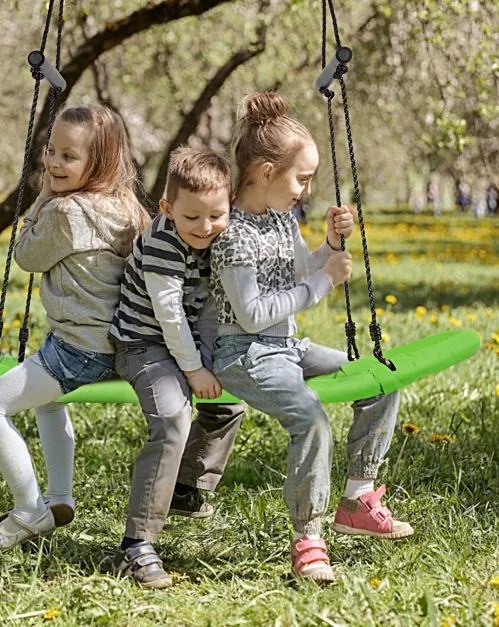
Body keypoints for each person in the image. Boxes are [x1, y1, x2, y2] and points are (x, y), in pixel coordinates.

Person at [210, 92, 412, 584]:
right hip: (243, 352)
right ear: (263, 172)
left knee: (380, 379)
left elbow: (301, 265)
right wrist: (324, 282)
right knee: (312, 419)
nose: (304, 189)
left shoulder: (279, 218)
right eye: (300, 178)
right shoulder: (233, 235)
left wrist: (331, 245)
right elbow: (253, 315)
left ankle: (357, 498)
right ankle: (308, 539)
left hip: (285, 347)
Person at [0, 105, 149, 549]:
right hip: (123, 346)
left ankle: (30, 510)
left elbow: (26, 256)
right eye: (51, 151)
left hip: (78, 349)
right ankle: (59, 497)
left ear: (100, 162)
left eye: (68, 156)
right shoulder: (128, 208)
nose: (52, 162)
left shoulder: (65, 212)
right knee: (48, 403)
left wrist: (42, 198)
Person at [109, 147, 244, 588]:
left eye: (216, 216)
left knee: (229, 404)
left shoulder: (214, 236)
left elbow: (206, 308)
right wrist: (193, 371)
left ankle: (186, 487)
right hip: (142, 345)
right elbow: (169, 314)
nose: (205, 228)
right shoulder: (165, 241)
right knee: (172, 418)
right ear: (167, 209)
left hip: (180, 343)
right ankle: (136, 544)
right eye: (193, 218)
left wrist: (209, 363)